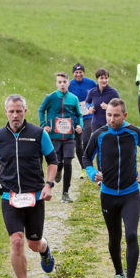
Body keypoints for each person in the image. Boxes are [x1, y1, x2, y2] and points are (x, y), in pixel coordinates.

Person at [0, 94, 58, 278]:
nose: (15, 115)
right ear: (6, 112)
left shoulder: (38, 134)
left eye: (19, 111)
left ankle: (44, 249)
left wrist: (49, 185)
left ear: (25, 111)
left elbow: (52, 160)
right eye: (11, 111)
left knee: (33, 243)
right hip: (10, 197)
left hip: (35, 197)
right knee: (16, 241)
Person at [82, 98, 140, 278]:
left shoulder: (134, 133)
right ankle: (118, 274)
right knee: (114, 237)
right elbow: (86, 157)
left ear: (124, 115)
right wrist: (92, 173)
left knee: (131, 235)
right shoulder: (99, 134)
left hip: (131, 193)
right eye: (109, 115)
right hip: (108, 194)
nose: (111, 119)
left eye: (116, 115)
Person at [39, 72, 84, 203]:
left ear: (68, 83)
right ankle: (58, 170)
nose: (62, 84)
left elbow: (79, 115)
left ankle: (65, 193)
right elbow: (41, 110)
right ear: (56, 84)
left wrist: (79, 125)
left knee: (68, 163)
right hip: (54, 137)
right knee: (57, 162)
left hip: (69, 136)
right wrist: (44, 125)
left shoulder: (73, 98)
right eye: (59, 82)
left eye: (64, 82)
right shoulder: (50, 97)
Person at [68, 63, 98, 168]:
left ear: (83, 73)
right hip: (75, 117)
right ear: (73, 73)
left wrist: (93, 105)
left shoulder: (91, 83)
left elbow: (98, 94)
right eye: (76, 72)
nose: (78, 74)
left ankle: (87, 161)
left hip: (88, 116)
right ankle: (83, 167)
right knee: (78, 145)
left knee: (86, 140)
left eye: (80, 72)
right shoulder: (69, 84)